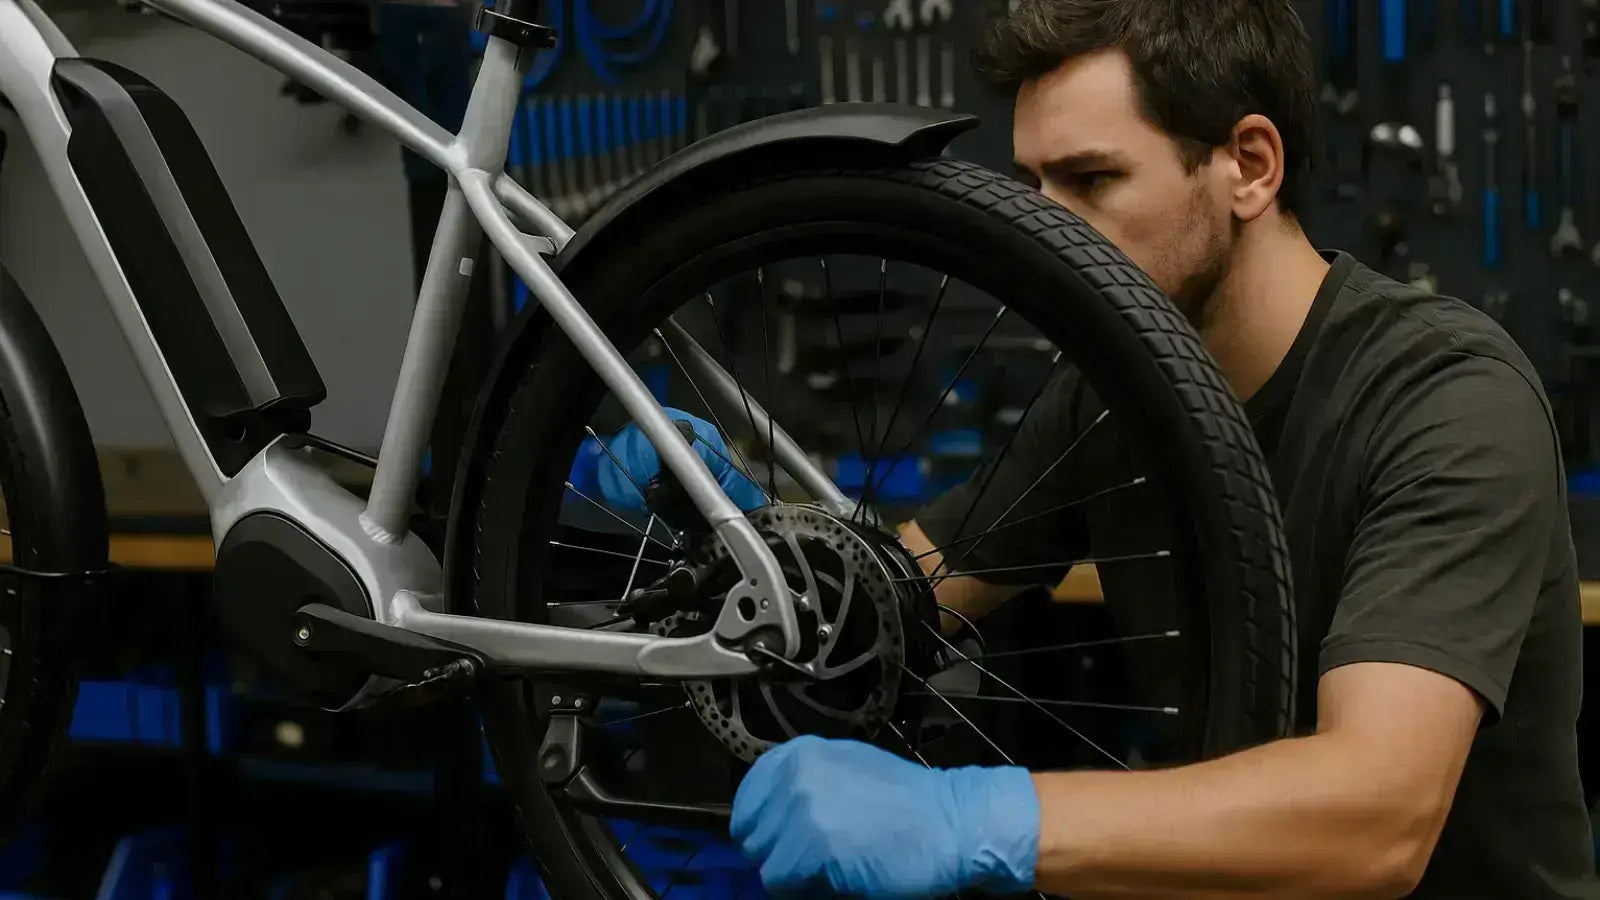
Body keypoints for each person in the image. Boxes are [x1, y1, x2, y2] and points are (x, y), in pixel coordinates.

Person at [587, 1, 1596, 896]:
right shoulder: (1110, 399)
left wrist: (975, 822)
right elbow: (897, 600)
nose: (1042, 235)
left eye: (1090, 179)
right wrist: (744, 548)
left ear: (1248, 165)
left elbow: (1376, 821)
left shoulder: (1445, 400)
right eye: (1031, 185)